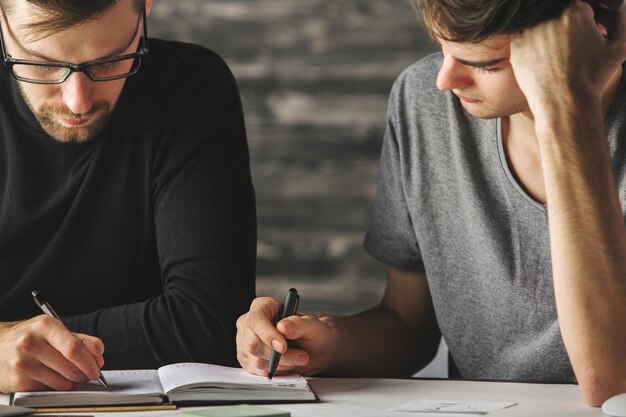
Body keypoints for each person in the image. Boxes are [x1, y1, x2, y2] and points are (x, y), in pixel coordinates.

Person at [236, 0, 626, 407]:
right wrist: (320, 342)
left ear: (591, 33)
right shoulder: (422, 101)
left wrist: (568, 107)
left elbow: (613, 384)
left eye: (487, 64)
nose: (446, 79)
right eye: (444, 47)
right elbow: (408, 326)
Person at [0, 0, 256, 393]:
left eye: (109, 62)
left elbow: (209, 326)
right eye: (42, 65)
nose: (78, 102)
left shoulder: (188, 86)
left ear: (146, 7)